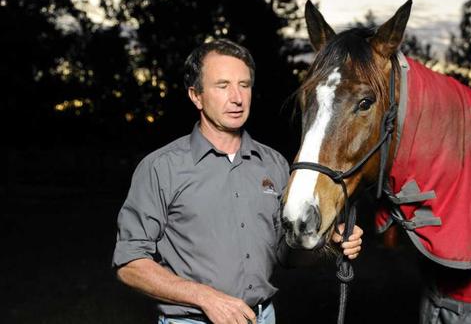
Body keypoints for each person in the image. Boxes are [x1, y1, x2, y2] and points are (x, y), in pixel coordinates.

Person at [112, 39, 364, 324]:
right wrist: (205, 297)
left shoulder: (274, 164)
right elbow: (130, 264)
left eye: (244, 85)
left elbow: (287, 255)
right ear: (196, 96)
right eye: (222, 86)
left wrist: (324, 240)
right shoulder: (161, 167)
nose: (237, 97)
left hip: (263, 317)